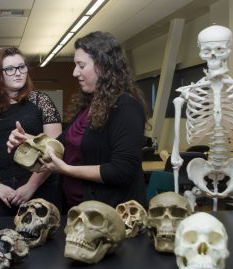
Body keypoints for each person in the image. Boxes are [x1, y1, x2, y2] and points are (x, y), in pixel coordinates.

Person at [8, 32, 148, 210]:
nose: (75, 73)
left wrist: (66, 170)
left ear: (103, 66)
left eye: (81, 65)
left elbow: (121, 170)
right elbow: (63, 144)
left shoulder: (126, 107)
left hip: (109, 215)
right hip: (77, 210)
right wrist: (28, 139)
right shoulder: (90, 105)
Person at [0, 47, 62, 216]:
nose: (18, 73)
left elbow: (55, 150)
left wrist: (31, 186)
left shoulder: (42, 102)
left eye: (22, 67)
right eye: (10, 69)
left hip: (39, 188)